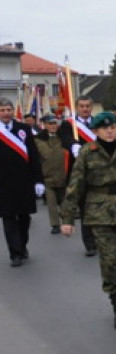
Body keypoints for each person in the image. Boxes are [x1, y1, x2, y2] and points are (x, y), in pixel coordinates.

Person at [60, 112, 116, 329]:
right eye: (104, 128)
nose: (110, 131)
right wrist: (68, 217)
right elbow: (75, 186)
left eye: (113, 127)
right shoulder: (87, 155)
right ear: (95, 131)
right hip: (99, 213)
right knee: (109, 261)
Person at [0, 98, 44, 266]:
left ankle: (22, 245)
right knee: (8, 218)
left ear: (13, 111)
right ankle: (15, 253)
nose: (5, 113)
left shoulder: (24, 129)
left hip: (24, 182)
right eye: (2, 110)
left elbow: (34, 157)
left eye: (8, 110)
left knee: (24, 218)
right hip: (3, 184)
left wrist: (38, 181)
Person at [60, 97, 97, 256]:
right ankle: (90, 244)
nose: (85, 109)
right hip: (80, 173)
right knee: (86, 210)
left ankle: (102, 240)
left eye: (88, 106)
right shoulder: (69, 124)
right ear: (77, 107)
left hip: (99, 173)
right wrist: (73, 145)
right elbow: (65, 138)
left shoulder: (99, 122)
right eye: (81, 106)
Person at [34, 113, 75, 234]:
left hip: (63, 175)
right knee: (51, 203)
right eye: (50, 123)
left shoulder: (63, 137)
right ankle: (55, 224)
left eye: (55, 123)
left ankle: (66, 221)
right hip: (47, 177)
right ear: (45, 125)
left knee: (64, 201)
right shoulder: (38, 140)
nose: (53, 126)